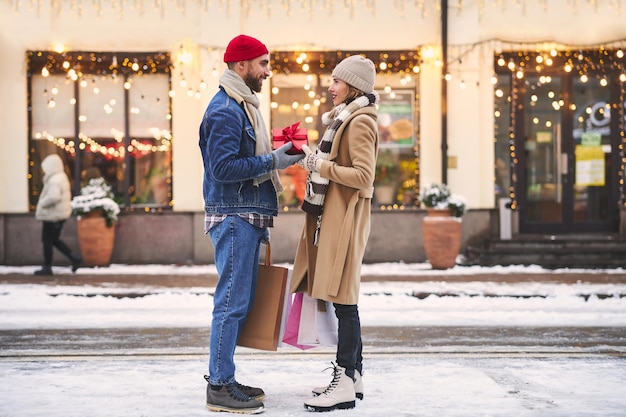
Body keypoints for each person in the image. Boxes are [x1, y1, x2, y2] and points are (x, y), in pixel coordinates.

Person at [198, 34, 304, 414]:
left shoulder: (243, 106)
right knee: (230, 302)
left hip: (244, 215)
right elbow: (223, 169)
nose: (267, 71)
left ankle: (224, 375)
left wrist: (278, 154)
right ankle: (220, 386)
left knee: (237, 301)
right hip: (234, 216)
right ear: (241, 65)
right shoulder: (226, 109)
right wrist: (274, 160)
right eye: (262, 63)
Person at [290, 54, 379, 412]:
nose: (330, 87)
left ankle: (343, 380)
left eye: (337, 82)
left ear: (353, 86)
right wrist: (315, 161)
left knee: (343, 300)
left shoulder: (359, 122)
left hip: (346, 219)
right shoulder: (345, 119)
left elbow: (363, 177)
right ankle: (353, 375)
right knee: (345, 299)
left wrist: (318, 164)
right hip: (338, 217)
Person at [34, 153, 82, 275]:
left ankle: (47, 266)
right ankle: (73, 257)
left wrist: (42, 203)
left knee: (47, 241)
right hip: (57, 215)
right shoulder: (61, 177)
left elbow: (54, 197)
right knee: (54, 240)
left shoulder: (55, 180)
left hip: (52, 215)